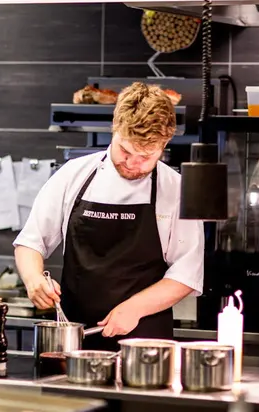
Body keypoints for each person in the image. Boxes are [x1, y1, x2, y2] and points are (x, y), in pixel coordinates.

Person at [13, 82, 204, 351]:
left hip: (145, 346)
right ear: (114, 129)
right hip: (74, 339)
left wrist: (135, 308)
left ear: (164, 144)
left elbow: (186, 274)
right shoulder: (73, 175)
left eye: (146, 156)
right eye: (125, 151)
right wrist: (33, 279)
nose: (133, 163)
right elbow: (30, 242)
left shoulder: (176, 190)